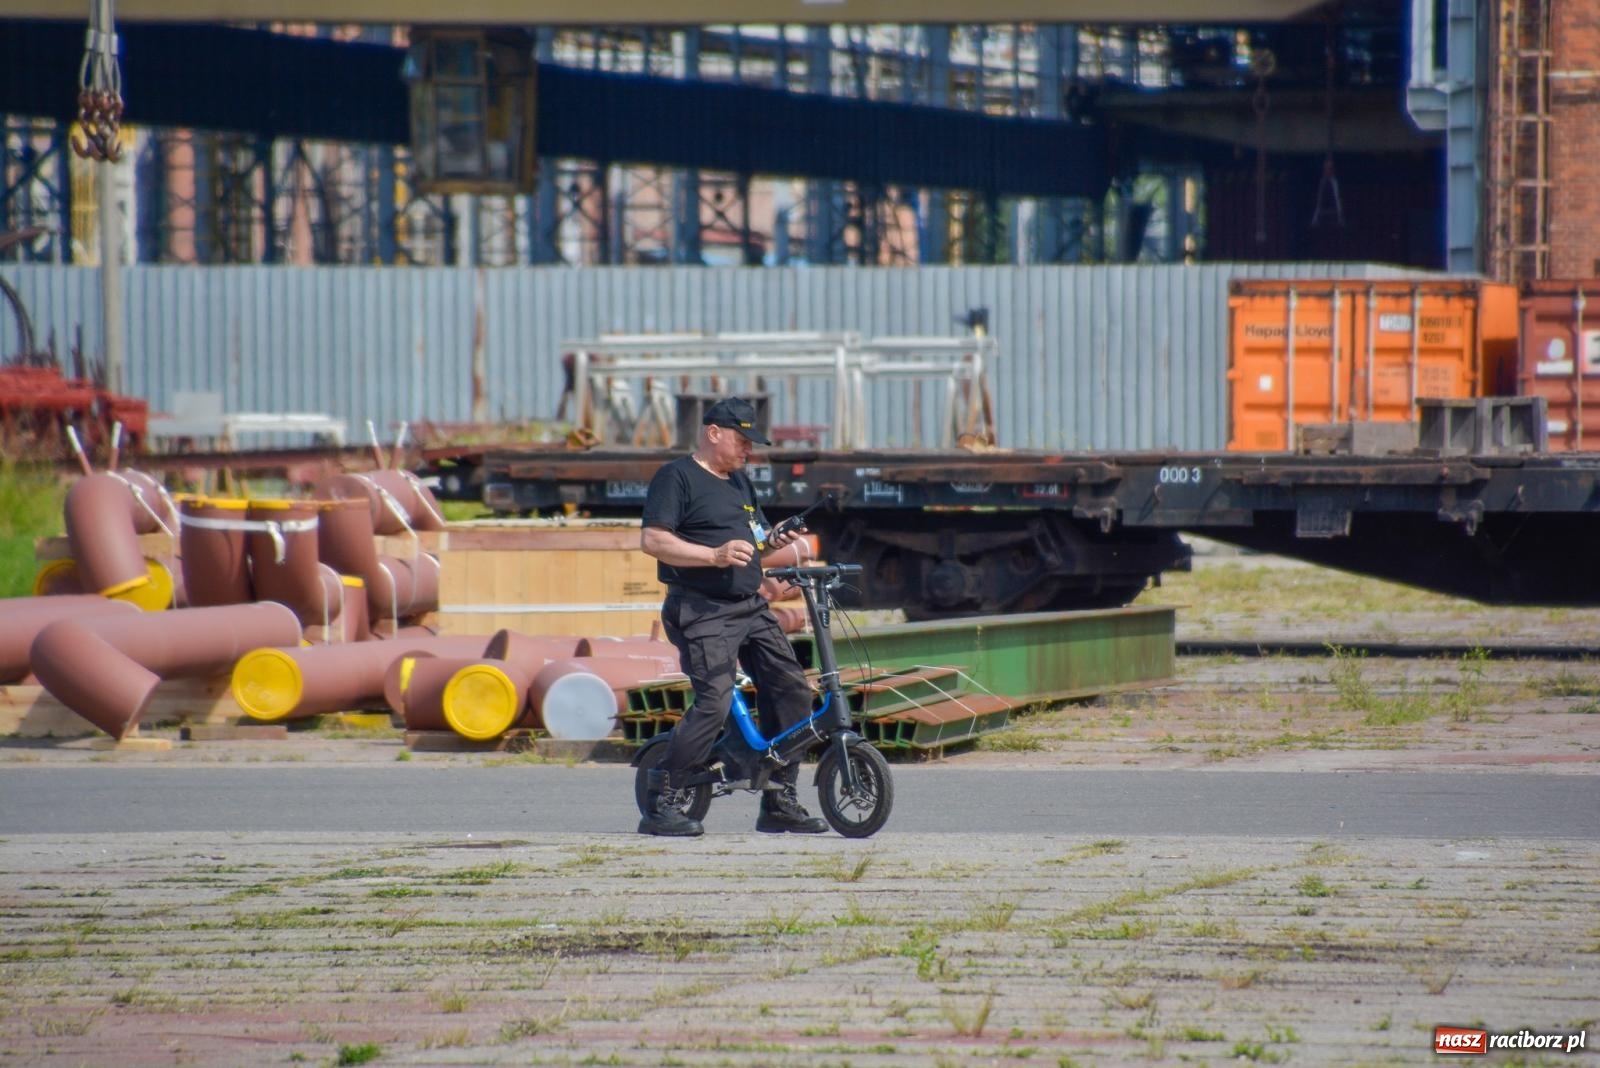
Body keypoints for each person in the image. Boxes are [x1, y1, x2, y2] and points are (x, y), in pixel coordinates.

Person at [637, 396, 827, 837]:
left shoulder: (740, 483)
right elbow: (653, 541)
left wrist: (775, 546)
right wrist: (714, 555)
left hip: (749, 607)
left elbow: (755, 544)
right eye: (742, 440)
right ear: (713, 433)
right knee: (714, 703)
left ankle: (779, 800)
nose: (748, 449)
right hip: (701, 608)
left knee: (793, 691)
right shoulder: (676, 477)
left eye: (751, 442)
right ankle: (662, 802)